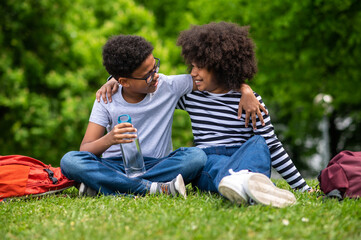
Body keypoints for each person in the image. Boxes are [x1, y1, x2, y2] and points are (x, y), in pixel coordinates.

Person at [98, 22, 311, 207]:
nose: (192, 73)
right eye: (192, 66)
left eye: (200, 67)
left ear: (221, 67)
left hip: (243, 154)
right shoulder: (190, 96)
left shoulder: (251, 102)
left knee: (259, 143)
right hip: (208, 158)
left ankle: (246, 185)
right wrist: (114, 80)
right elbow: (150, 86)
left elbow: (273, 147)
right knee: (209, 162)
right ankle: (251, 186)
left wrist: (302, 187)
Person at [60, 35, 209, 198]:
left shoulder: (168, 86)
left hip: (157, 165)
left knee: (196, 157)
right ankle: (154, 188)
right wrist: (110, 139)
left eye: (155, 67)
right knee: (70, 161)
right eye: (148, 75)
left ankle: (109, 186)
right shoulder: (106, 99)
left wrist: (242, 88)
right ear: (124, 82)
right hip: (115, 166)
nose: (156, 76)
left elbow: (211, 79)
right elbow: (86, 149)